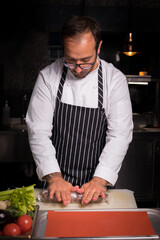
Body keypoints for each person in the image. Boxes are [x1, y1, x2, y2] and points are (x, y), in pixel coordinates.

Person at [26, 15, 133, 206]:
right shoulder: (48, 76)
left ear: (98, 48)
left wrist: (99, 180)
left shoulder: (114, 80)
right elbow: (38, 131)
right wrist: (54, 177)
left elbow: (119, 136)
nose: (76, 69)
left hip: (96, 183)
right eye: (70, 60)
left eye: (85, 61)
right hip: (55, 183)